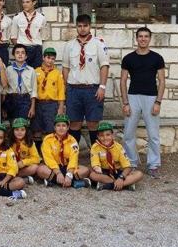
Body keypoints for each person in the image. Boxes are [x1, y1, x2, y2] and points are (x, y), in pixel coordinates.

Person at [120, 27, 166, 178]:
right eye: (140, 36)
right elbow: (123, 81)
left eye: (146, 36)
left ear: (150, 39)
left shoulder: (157, 58)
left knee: (153, 134)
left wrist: (158, 102)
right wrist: (125, 103)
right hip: (133, 97)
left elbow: (162, 81)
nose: (143, 39)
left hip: (151, 98)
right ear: (136, 38)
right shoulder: (128, 58)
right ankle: (131, 163)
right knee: (128, 133)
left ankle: (153, 165)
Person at [62, 14, 110, 147]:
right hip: (74, 89)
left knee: (93, 123)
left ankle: (95, 153)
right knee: (74, 123)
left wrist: (102, 87)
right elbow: (65, 68)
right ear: (76, 27)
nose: (82, 28)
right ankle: (73, 153)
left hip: (92, 89)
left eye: (85, 26)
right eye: (79, 26)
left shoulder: (99, 44)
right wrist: (66, 88)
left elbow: (104, 66)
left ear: (90, 26)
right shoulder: (69, 45)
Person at [37, 114, 91, 189]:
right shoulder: (47, 139)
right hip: (53, 168)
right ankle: (73, 183)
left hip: (67, 167)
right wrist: (58, 172)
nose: (61, 128)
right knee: (40, 170)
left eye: (64, 125)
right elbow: (48, 159)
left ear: (68, 127)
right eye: (58, 125)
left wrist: (69, 174)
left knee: (85, 170)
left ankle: (53, 181)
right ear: (54, 127)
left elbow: (73, 159)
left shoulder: (72, 140)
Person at [90, 121, 143, 191]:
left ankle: (107, 185)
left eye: (108, 135)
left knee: (139, 174)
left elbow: (127, 166)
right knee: (92, 175)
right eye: (101, 135)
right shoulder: (95, 147)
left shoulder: (118, 147)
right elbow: (95, 163)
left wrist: (121, 178)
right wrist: (97, 169)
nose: (105, 138)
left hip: (117, 172)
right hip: (103, 172)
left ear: (112, 135)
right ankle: (125, 184)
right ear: (98, 137)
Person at [33, 48, 65, 140]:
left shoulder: (57, 73)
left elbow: (61, 91)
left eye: (52, 59)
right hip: (38, 103)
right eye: (48, 58)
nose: (50, 61)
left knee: (50, 129)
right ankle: (38, 148)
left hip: (51, 104)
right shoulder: (36, 71)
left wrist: (61, 108)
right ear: (43, 58)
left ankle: (48, 147)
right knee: (37, 129)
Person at [10, 0, 45, 68]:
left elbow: (43, 36)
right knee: (22, 71)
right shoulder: (17, 17)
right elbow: (13, 37)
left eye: (27, 2)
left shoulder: (41, 18)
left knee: (36, 72)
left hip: (37, 49)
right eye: (23, 2)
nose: (25, 4)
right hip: (23, 48)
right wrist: (20, 49)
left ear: (34, 2)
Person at [5, 44, 37, 121]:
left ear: (26, 56)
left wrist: (32, 107)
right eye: (17, 52)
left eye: (22, 53)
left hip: (25, 99)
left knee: (23, 123)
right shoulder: (8, 70)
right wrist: (3, 107)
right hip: (12, 99)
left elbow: (34, 90)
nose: (20, 54)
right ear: (13, 55)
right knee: (13, 123)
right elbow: (5, 88)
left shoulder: (31, 70)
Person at [9, 118, 41, 183]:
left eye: (22, 130)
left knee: (34, 167)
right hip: (10, 166)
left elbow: (36, 159)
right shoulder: (8, 142)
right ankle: (23, 179)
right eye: (16, 130)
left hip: (22, 167)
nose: (19, 132)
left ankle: (13, 177)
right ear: (12, 131)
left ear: (26, 131)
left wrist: (23, 162)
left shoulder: (29, 142)